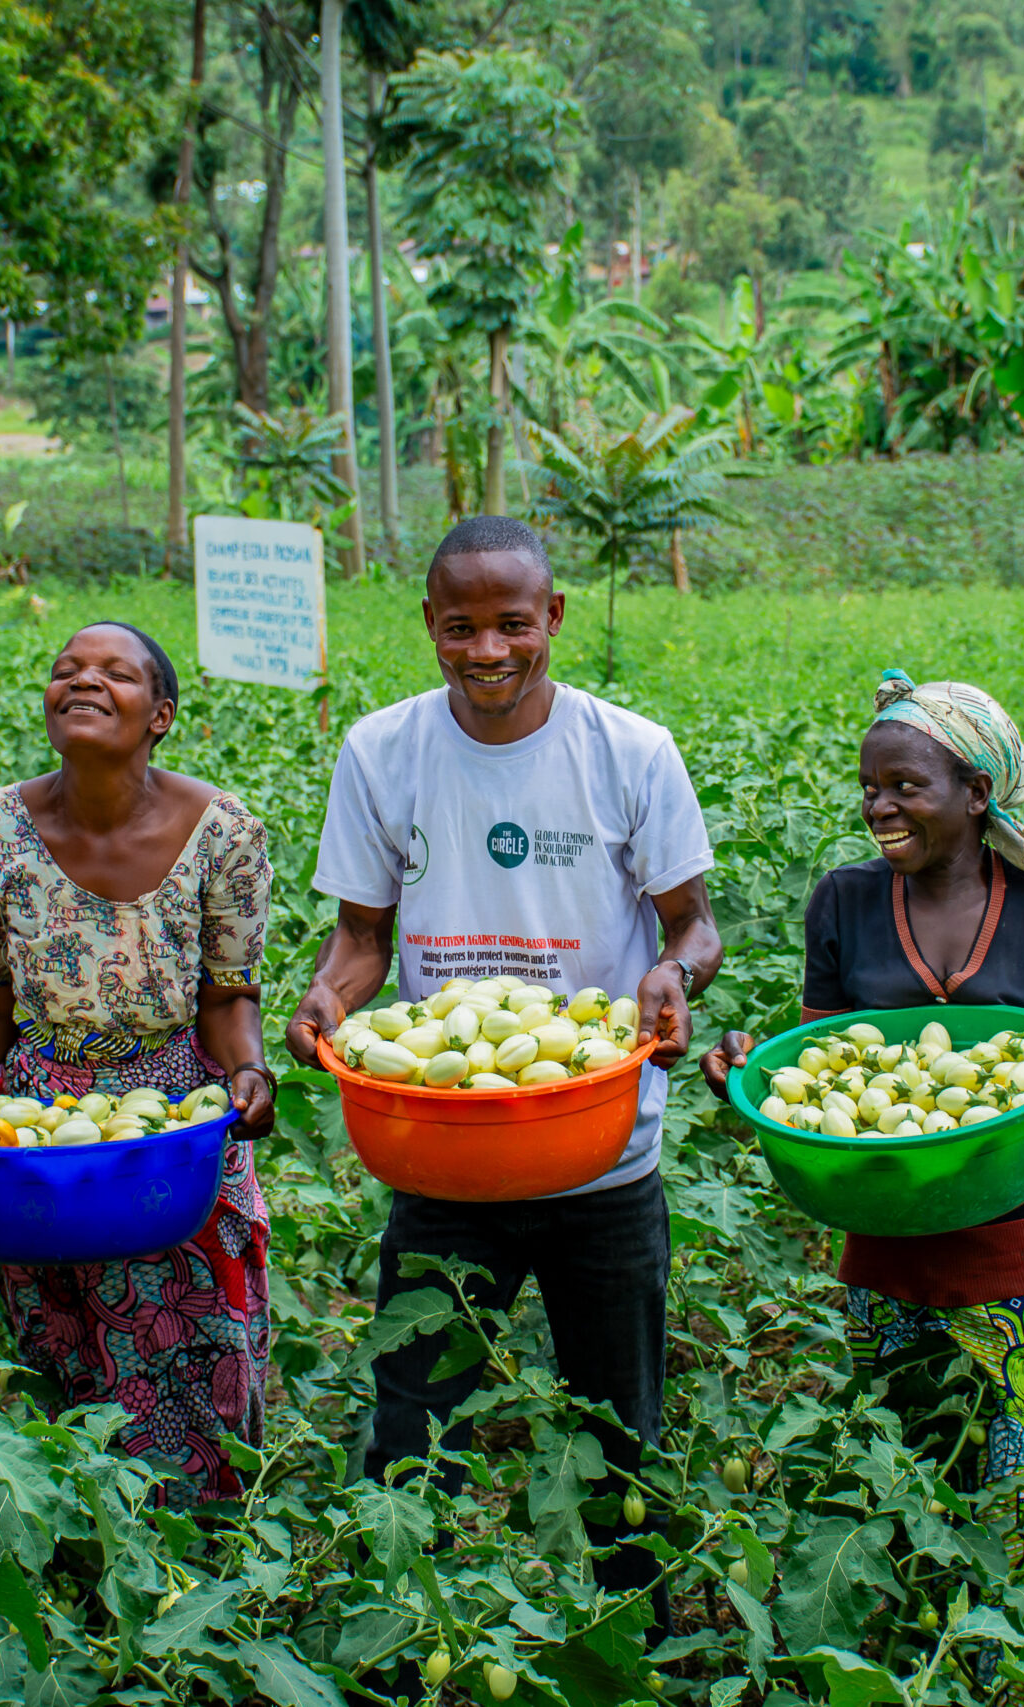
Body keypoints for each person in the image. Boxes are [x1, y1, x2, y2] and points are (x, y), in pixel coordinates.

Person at [282, 515, 721, 1592]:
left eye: (513, 624)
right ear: (429, 623)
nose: (488, 650)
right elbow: (362, 939)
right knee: (411, 1420)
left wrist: (672, 976)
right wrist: (330, 998)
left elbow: (692, 926)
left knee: (621, 1427)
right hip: (447, 1151)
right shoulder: (381, 750)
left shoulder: (629, 751)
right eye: (461, 627)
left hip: (598, 1148)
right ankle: (402, 1626)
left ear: (552, 616)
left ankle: (631, 1633)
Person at [701, 672, 1024, 1576]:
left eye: (905, 785)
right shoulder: (844, 901)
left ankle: (1020, 1639)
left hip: (1016, 1234)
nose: (880, 806)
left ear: (977, 792)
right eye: (870, 787)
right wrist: (749, 1072)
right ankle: (908, 1638)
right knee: (900, 1474)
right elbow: (818, 1066)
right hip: (887, 1231)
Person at [0, 622, 277, 1505]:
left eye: (115, 673)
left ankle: (204, 1549)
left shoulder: (223, 830)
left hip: (175, 1124)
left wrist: (248, 1071)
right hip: (40, 1134)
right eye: (66, 670)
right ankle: (84, 1536)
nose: (84, 681)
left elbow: (228, 996)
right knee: (65, 1339)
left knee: (198, 1336)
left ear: (161, 714)